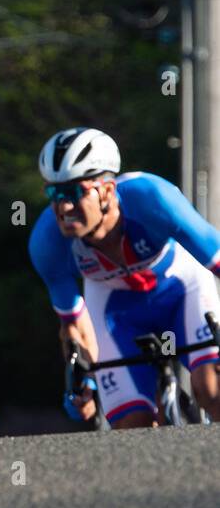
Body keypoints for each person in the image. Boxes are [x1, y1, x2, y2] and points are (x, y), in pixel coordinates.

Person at [28, 127, 220, 428]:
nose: (63, 207)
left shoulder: (153, 198)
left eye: (74, 193)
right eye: (55, 193)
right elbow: (73, 326)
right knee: (131, 428)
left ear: (106, 189)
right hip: (114, 311)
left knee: (212, 389)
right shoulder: (46, 242)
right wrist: (83, 381)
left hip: (181, 288)